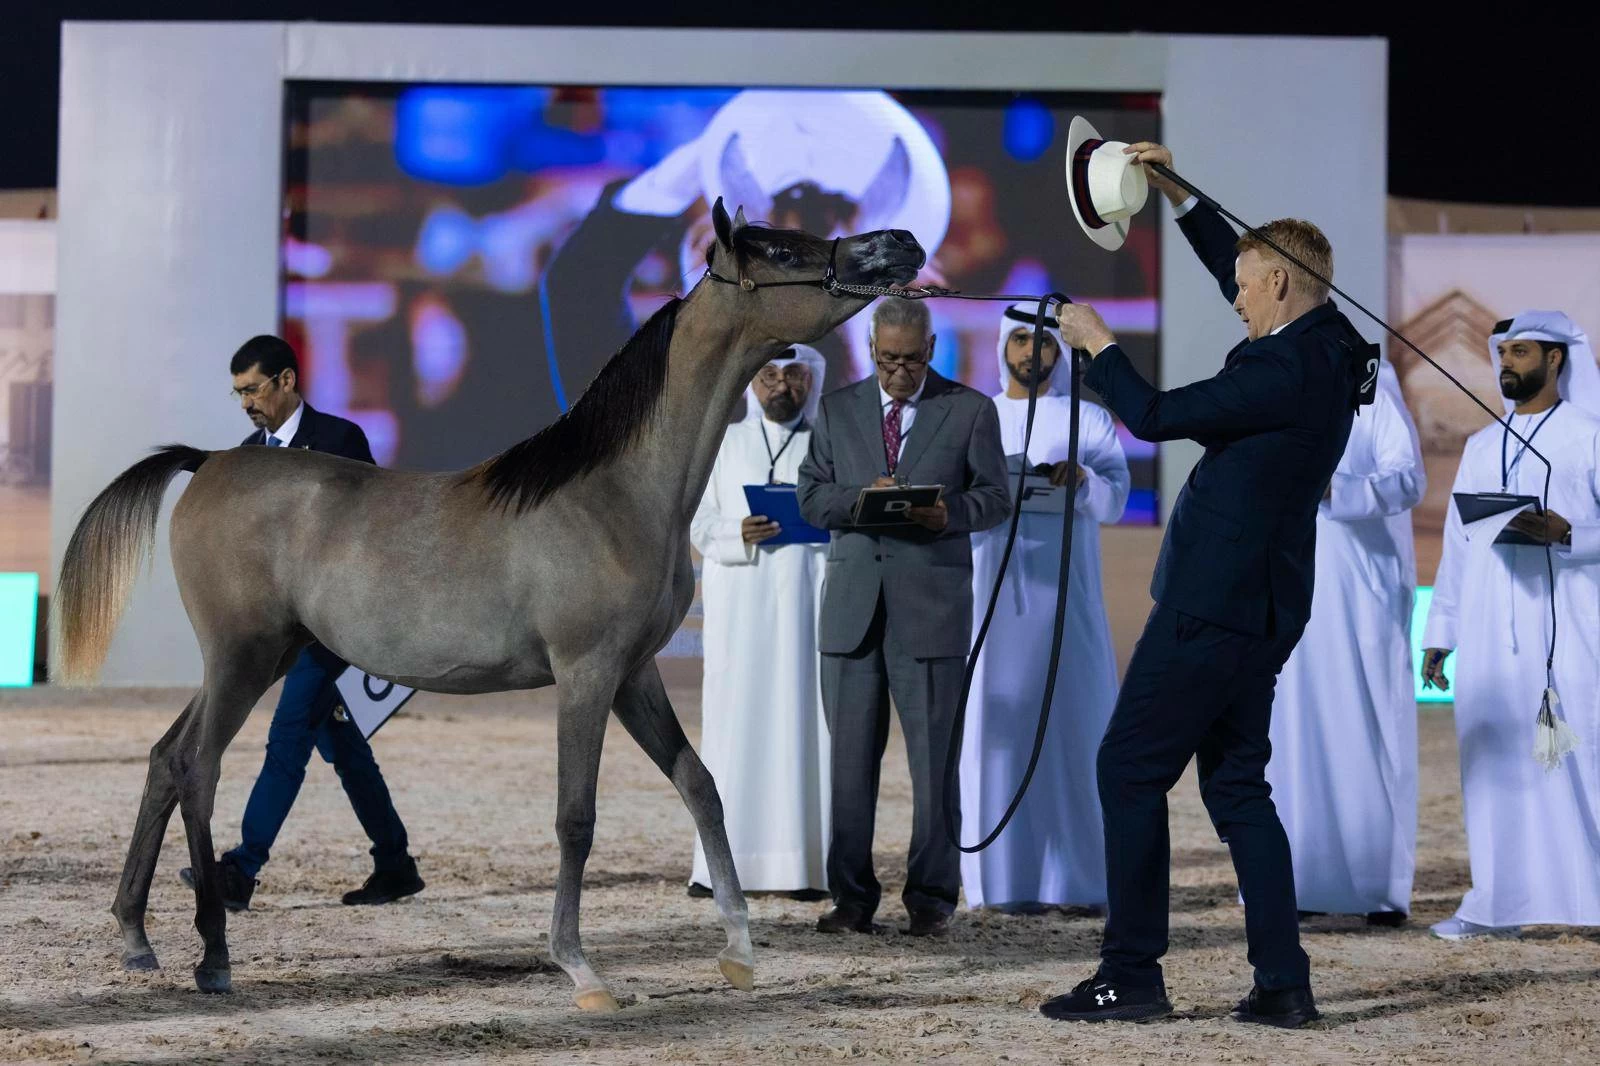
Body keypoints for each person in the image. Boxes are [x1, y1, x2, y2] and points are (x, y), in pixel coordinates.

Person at [1040, 140, 1363, 1028]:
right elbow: (1247, 259)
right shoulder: (1329, 344)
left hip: (1211, 608)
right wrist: (1180, 197)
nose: (1235, 295)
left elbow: (1150, 416)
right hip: (1262, 607)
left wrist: (1099, 346)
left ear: (1284, 290)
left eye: (1248, 287)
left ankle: (1131, 974)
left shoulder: (1277, 370)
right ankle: (1282, 984)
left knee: (1128, 768)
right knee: (1235, 790)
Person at [178, 335, 424, 910]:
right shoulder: (246, 457)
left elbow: (372, 538)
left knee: (288, 734)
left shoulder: (341, 440)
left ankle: (241, 869)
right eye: (238, 393)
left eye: (253, 389)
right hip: (288, 627)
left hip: (337, 626)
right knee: (340, 741)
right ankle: (394, 863)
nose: (245, 403)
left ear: (287, 381)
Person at [796, 298, 1010, 938]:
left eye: (912, 361)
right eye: (888, 359)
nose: (899, 372)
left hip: (932, 613)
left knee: (935, 764)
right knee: (850, 767)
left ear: (932, 348)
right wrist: (863, 502)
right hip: (853, 617)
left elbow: (995, 496)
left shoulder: (971, 410)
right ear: (870, 348)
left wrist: (950, 515)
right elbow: (810, 495)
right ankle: (852, 900)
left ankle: (932, 899)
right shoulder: (836, 410)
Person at [1421, 310, 1600, 940]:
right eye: (1504, 354)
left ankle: (1591, 900)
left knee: (1581, 760)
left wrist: (1569, 532)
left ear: (1556, 360)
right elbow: (1457, 547)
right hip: (1492, 633)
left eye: (1522, 353)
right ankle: (1497, 903)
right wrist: (1440, 636)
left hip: (1574, 635)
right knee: (1495, 769)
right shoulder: (1480, 445)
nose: (1508, 365)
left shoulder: (1589, 436)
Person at [959, 301, 1129, 913]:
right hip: (991, 601)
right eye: (1023, 343)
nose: (1034, 354)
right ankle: (999, 884)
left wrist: (1081, 479)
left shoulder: (1091, 420)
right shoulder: (977, 418)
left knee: (1075, 730)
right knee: (997, 736)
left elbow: (1114, 502)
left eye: (1047, 345)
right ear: (1005, 347)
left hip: (1067, 605)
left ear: (1062, 351)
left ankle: (1078, 882)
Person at [1268, 358, 1426, 927]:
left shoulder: (1370, 391)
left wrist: (1336, 487)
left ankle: (1376, 888)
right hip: (1291, 584)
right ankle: (1302, 881)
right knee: (1295, 732)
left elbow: (1408, 480)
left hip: (1364, 596)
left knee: (1367, 727)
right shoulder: (1278, 390)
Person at [686, 345, 831, 901]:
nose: (781, 386)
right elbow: (699, 522)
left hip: (808, 608)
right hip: (739, 616)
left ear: (809, 381)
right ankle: (720, 865)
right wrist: (736, 535)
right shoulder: (722, 444)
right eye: (769, 375)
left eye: (793, 376)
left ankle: (803, 869)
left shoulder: (830, 443)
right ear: (752, 381)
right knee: (733, 730)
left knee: (804, 729)